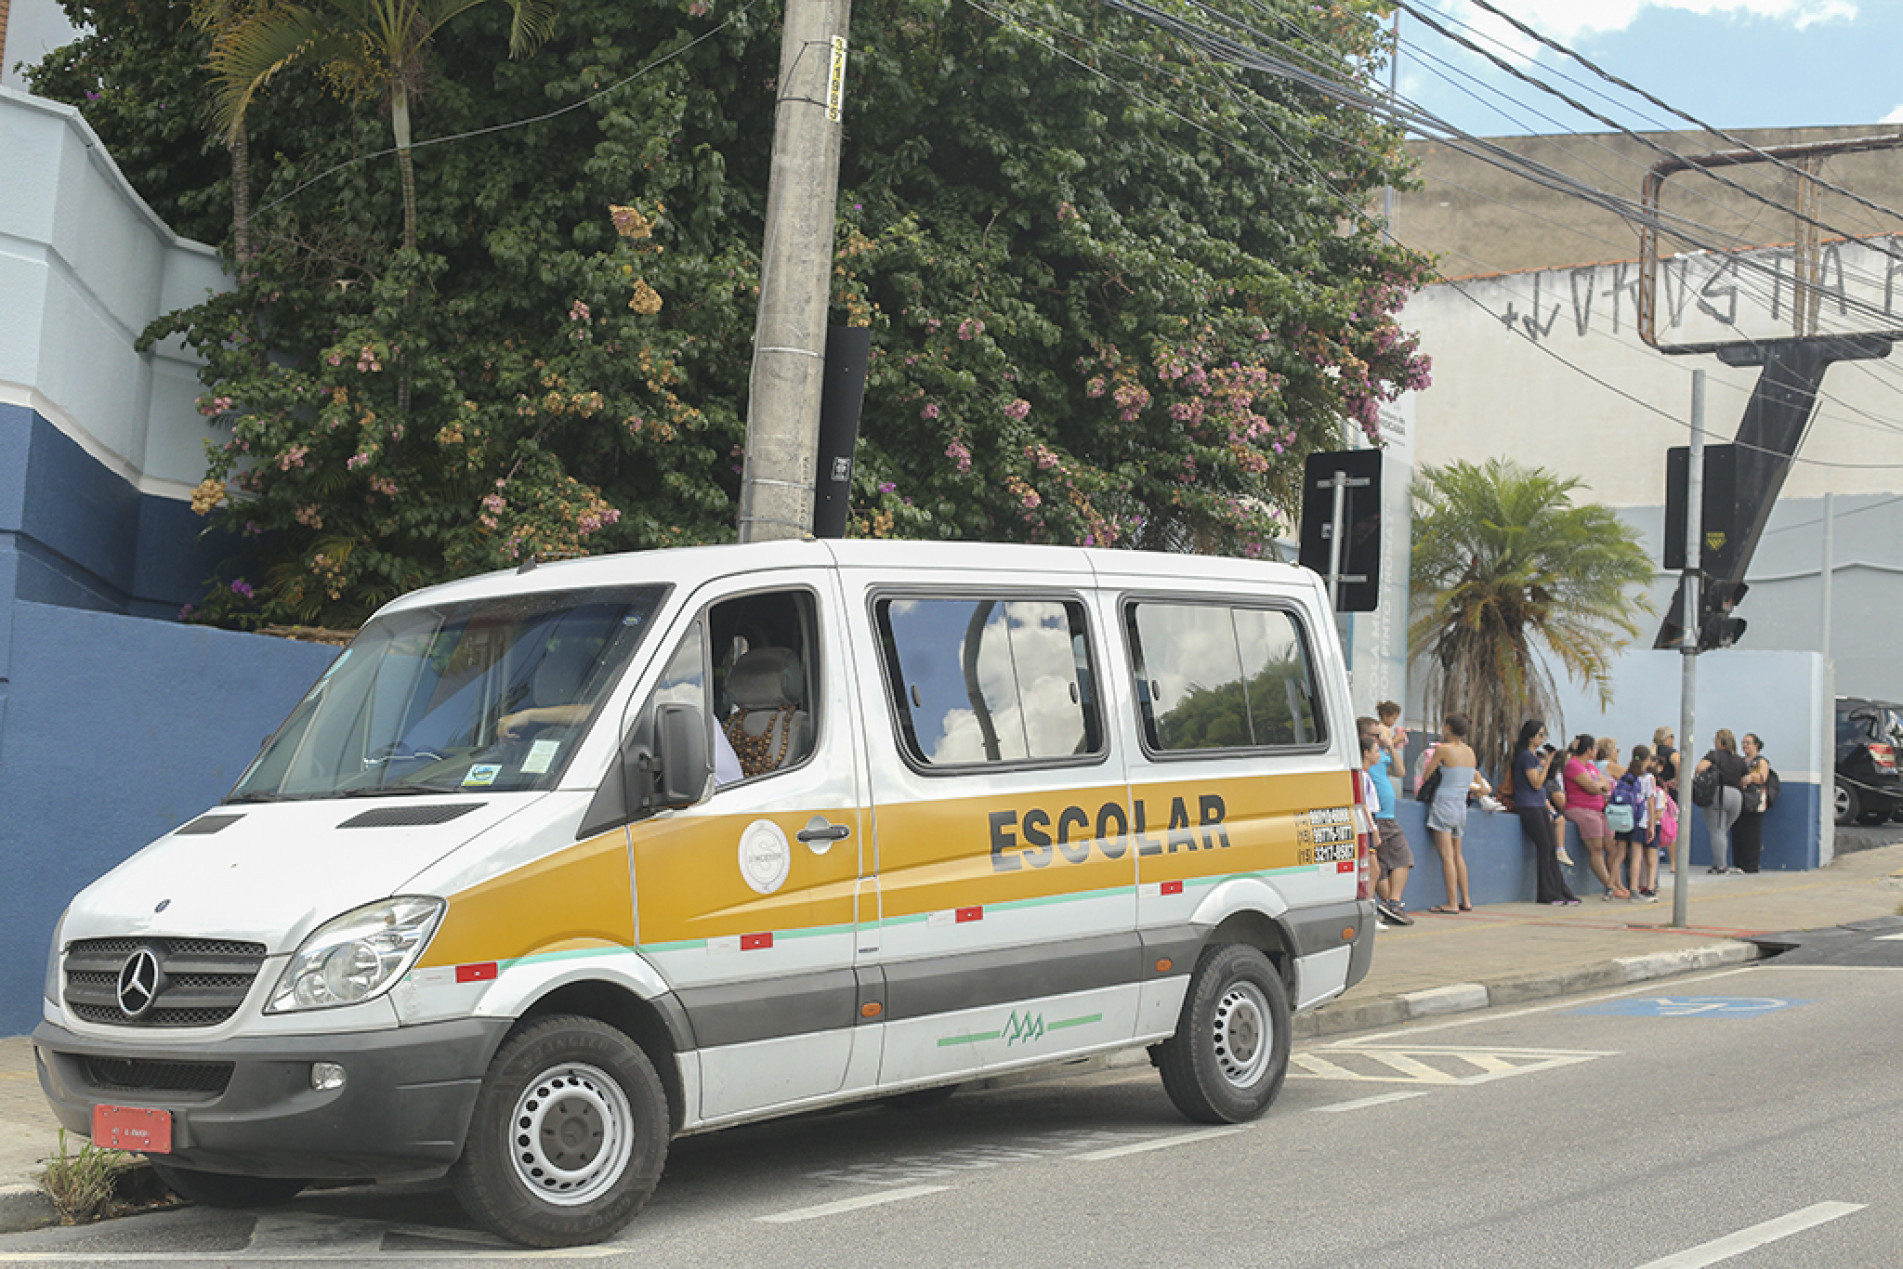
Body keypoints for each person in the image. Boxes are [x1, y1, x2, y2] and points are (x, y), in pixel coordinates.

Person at [1509, 720, 1578, 905]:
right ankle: (1547, 893)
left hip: (1538, 805)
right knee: (1545, 847)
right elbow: (1537, 783)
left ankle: (1560, 890)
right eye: (1540, 735)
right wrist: (1547, 763)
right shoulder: (1527, 757)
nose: (1542, 738)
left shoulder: (1531, 756)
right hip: (1529, 805)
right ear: (1531, 737)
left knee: (1550, 847)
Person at [1417, 713, 1478, 914]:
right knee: (1458, 854)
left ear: (1449, 728)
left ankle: (1452, 902)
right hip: (1461, 805)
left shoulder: (1443, 750)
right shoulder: (1470, 752)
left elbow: (1426, 775)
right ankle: (1466, 899)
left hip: (1444, 802)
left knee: (1447, 856)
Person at [1563, 733, 1626, 899]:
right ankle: (1610, 885)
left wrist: (1600, 786)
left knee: (1611, 846)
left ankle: (1618, 883)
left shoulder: (1591, 767)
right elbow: (1590, 787)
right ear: (1589, 749)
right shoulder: (1573, 765)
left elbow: (1604, 783)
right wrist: (1599, 786)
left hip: (1599, 811)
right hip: (1581, 809)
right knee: (1596, 847)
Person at [1360, 733, 1414, 926]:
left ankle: (1384, 907)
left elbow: (1400, 771)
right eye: (1376, 751)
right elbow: (1363, 805)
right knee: (1375, 869)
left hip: (1376, 822)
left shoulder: (1368, 773)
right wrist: (1373, 828)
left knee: (1376, 869)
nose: (1380, 755)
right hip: (1374, 823)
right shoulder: (1363, 776)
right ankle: (1377, 909)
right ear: (1366, 753)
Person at [1694, 728, 1749, 874]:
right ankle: (1718, 862)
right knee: (1723, 830)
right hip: (1737, 796)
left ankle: (1721, 866)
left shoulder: (1714, 755)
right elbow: (1745, 780)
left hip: (1719, 793)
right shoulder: (1739, 759)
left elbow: (1700, 768)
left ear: (1719, 741)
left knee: (1717, 831)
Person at [1617, 744, 1660, 901]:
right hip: (1642, 820)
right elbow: (1650, 802)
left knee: (1634, 856)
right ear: (1647, 760)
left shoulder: (1628, 775)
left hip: (1629, 819)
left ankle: (1632, 889)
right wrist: (1652, 824)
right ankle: (1639, 890)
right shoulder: (1649, 778)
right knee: (1639, 857)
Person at [1734, 732, 1771, 873]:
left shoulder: (1761, 761)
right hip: (1741, 799)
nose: (1745, 746)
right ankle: (1739, 862)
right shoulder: (1741, 761)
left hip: (1755, 801)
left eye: (1748, 743)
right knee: (1739, 832)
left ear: (1756, 745)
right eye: (1743, 743)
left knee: (1752, 833)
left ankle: (1751, 864)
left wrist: (1750, 777)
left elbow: (1763, 777)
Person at [1652, 726, 1679, 798]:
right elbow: (1678, 762)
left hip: (1653, 792)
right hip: (1669, 792)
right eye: (1672, 736)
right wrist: (1677, 779)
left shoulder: (1652, 751)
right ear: (1667, 738)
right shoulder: (1669, 752)